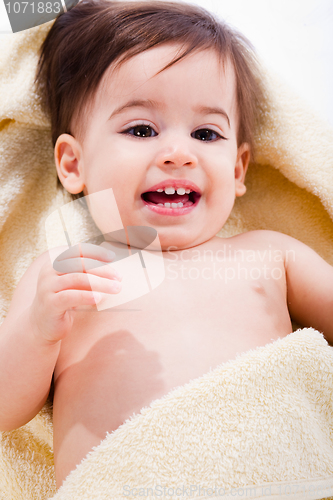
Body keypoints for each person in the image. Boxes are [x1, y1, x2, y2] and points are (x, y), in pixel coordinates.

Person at [0, 0, 332, 489]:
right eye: (141, 129)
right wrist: (37, 329)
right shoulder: (66, 272)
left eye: (205, 132)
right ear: (73, 164)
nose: (179, 153)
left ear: (238, 169)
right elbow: (6, 409)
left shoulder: (270, 254)